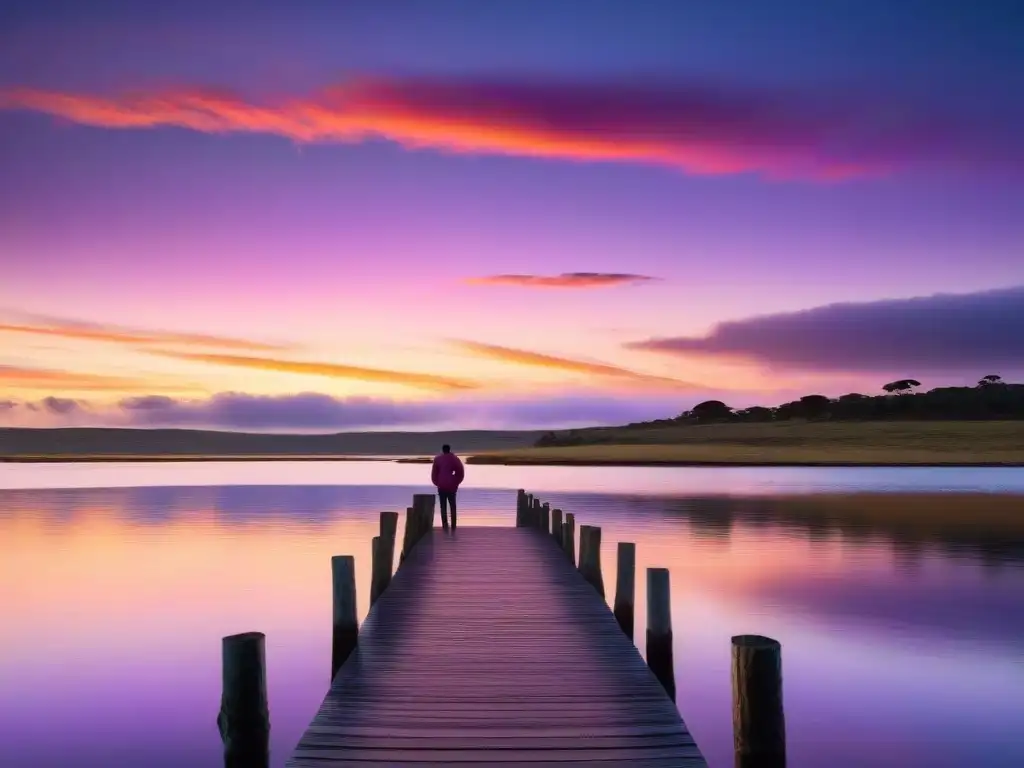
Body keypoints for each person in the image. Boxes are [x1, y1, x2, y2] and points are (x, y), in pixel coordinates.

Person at [431, 443, 464, 531]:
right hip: (451, 485)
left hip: (441, 485)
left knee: (443, 506)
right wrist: (456, 482)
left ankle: (445, 525)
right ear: (449, 449)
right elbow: (460, 472)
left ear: (443, 450)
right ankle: (453, 525)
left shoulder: (438, 459)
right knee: (452, 505)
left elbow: (434, 473)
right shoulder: (455, 459)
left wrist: (437, 482)